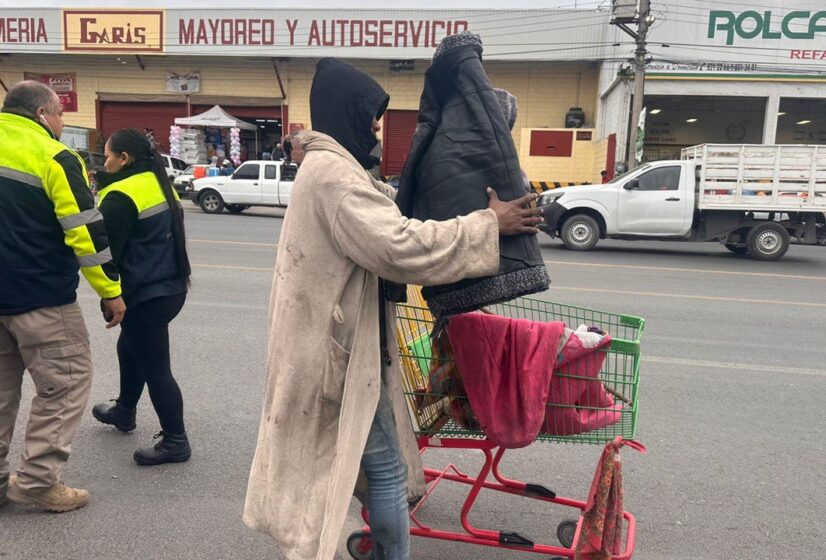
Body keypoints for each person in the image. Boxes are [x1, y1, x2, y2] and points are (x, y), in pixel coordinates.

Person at [243, 58, 543, 560]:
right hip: (337, 354)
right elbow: (397, 245)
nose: (377, 130)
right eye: (372, 118)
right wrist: (486, 226)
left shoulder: (337, 170)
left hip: (336, 343)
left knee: (359, 463)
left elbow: (385, 207)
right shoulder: (332, 175)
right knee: (382, 467)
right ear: (348, 113)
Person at [0, 81, 126, 512]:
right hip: (40, 299)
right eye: (58, 116)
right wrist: (110, 292)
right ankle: (38, 481)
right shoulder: (54, 156)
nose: (60, 124)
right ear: (41, 115)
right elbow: (85, 231)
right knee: (65, 385)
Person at [89, 129, 193, 466]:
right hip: (170, 287)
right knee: (129, 345)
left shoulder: (120, 194)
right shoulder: (156, 183)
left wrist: (109, 296)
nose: (104, 162)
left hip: (145, 293)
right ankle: (125, 411)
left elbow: (108, 254)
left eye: (107, 156)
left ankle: (175, 440)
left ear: (124, 159)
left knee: (156, 368)